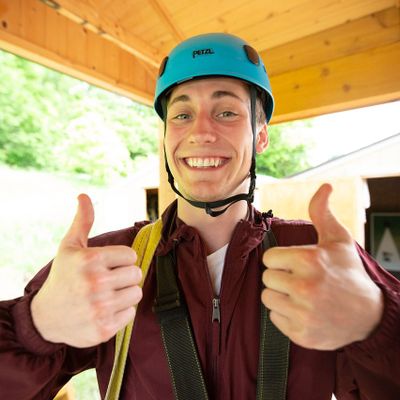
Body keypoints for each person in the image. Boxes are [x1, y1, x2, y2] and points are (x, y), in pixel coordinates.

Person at [0, 33, 399, 400]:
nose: (201, 132)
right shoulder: (112, 264)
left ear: (261, 136)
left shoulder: (317, 258)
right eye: (182, 115)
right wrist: (35, 326)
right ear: (166, 136)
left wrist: (378, 325)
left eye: (226, 112)